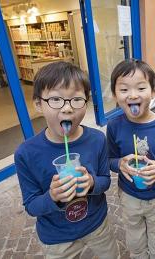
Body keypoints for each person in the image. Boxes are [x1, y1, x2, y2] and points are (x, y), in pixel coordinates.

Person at [15, 61, 119, 259]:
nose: (67, 109)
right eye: (55, 99)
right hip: (57, 238)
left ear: (86, 103)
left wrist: (91, 182)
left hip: (97, 225)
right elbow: (31, 206)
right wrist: (52, 196)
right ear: (38, 104)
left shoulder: (97, 140)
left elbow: (105, 180)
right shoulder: (26, 154)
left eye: (76, 100)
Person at [107, 58, 155, 259]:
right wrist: (119, 164)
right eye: (124, 90)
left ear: (153, 90)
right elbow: (109, 159)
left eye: (141, 88)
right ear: (115, 94)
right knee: (135, 240)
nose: (132, 95)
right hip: (129, 196)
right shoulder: (114, 126)